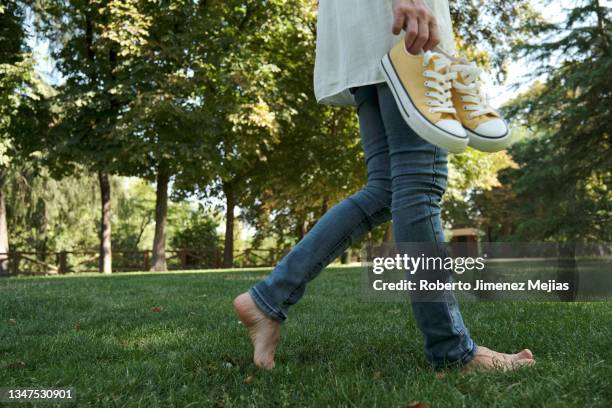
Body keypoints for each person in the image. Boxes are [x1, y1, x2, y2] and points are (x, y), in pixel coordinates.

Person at [234, 0, 535, 371]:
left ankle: (268, 299)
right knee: (420, 182)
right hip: (397, 28)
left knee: (387, 188)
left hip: (364, 34)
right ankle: (451, 350)